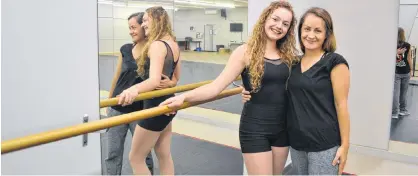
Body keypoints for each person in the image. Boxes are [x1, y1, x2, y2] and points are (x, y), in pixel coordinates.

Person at [159, 1, 298, 175]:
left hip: (282, 129)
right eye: (275, 19)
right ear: (265, 19)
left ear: (289, 29)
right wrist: (183, 97)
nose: (279, 26)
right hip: (255, 129)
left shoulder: (289, 57)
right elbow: (216, 87)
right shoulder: (245, 52)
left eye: (285, 24)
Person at [241, 7, 351, 175]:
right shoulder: (292, 63)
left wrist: (345, 146)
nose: (311, 35)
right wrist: (249, 90)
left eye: (318, 31)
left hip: (324, 145)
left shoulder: (335, 62)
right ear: (299, 31)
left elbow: (341, 105)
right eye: (306, 29)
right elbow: (275, 84)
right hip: (296, 144)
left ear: (326, 35)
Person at [105, 12, 179, 175]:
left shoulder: (153, 48)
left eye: (134, 27)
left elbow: (165, 78)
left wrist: (171, 83)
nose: (131, 31)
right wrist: (110, 101)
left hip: (141, 107)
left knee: (141, 156)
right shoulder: (125, 49)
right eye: (129, 28)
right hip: (119, 105)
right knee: (113, 153)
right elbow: (117, 77)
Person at [392, 27, 412, 119]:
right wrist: (411, 70)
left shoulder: (392, 45)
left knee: (396, 92)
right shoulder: (407, 45)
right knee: (403, 92)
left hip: (396, 72)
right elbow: (409, 59)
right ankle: (402, 110)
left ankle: (395, 113)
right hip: (405, 71)